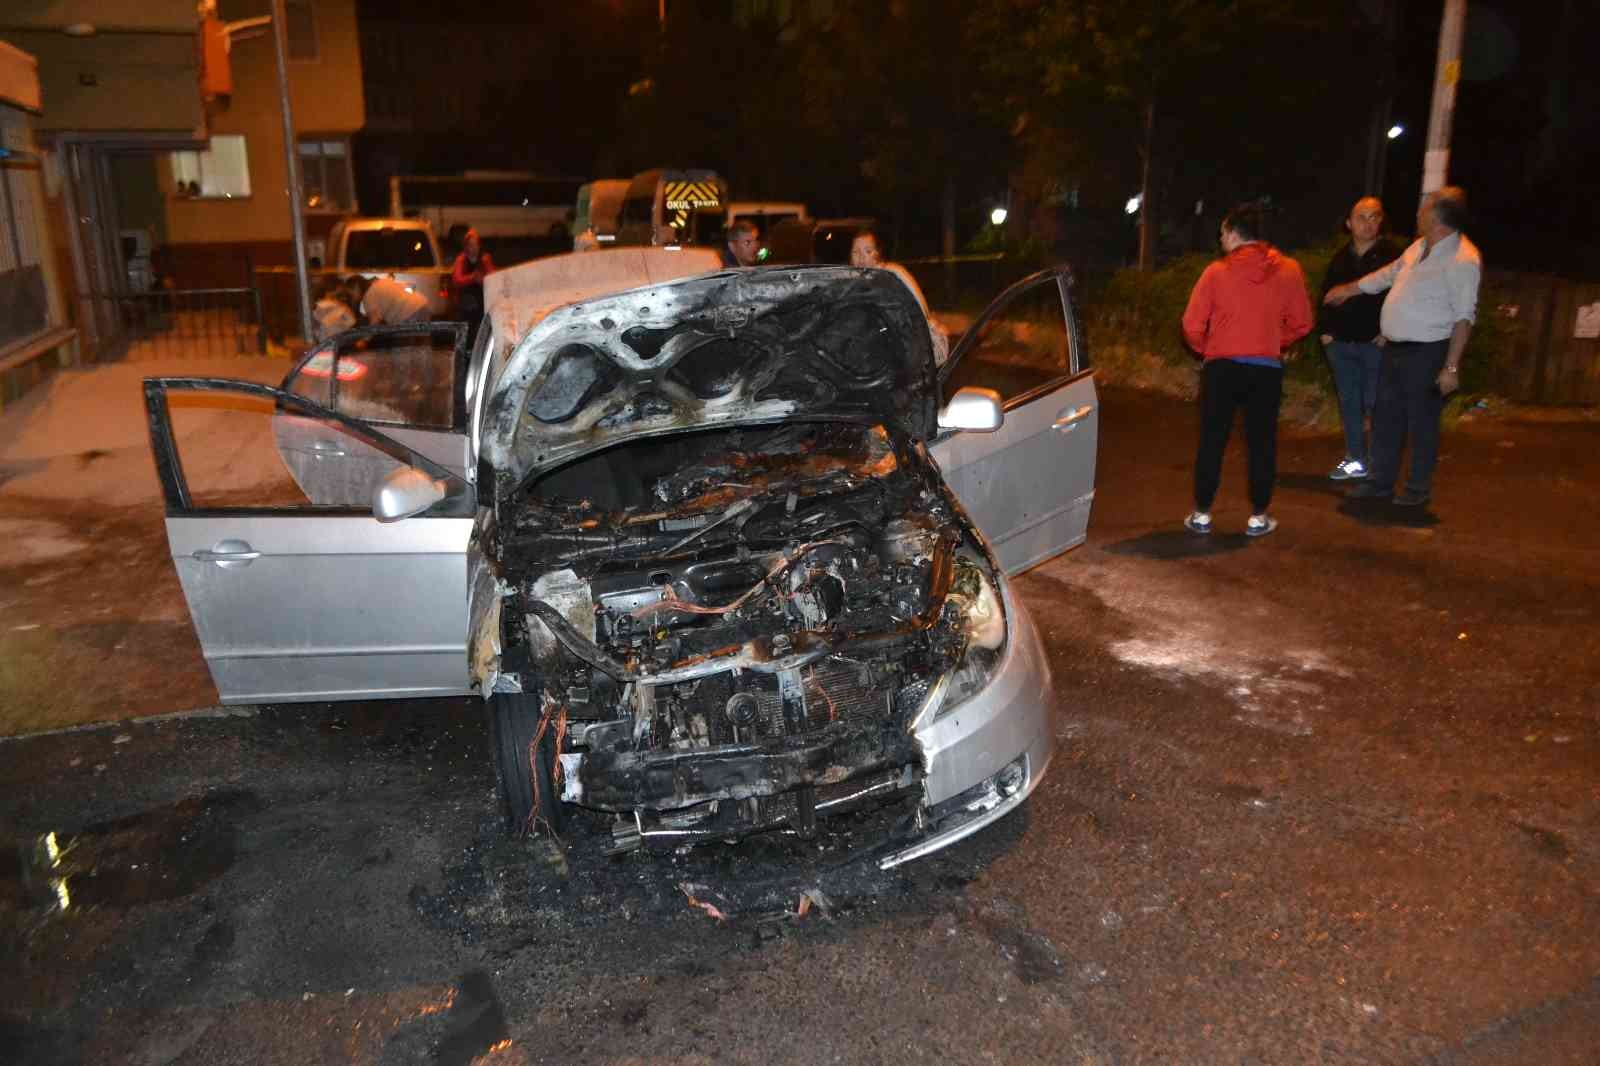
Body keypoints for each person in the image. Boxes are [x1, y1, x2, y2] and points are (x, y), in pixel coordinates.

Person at [1324, 186, 1480, 507]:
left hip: (1428, 352)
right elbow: (1386, 275)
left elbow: (1464, 317)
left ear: (1437, 217)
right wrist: (1349, 289)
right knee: (1386, 419)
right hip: (1395, 349)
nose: (1418, 214)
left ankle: (1416, 489)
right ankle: (1380, 483)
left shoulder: (1463, 258)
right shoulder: (1417, 248)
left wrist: (1451, 366)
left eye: (1424, 209)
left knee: (1422, 422)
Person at [1180, 203, 1313, 537]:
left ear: (1235, 235)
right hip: (1265, 369)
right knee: (1262, 443)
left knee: (1213, 440)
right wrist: (1272, 340)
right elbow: (1302, 323)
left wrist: (1207, 348)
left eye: (1223, 232)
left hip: (1221, 367)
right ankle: (1258, 516)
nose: (1220, 238)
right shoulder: (1290, 270)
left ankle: (1202, 513)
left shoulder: (1216, 272)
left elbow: (1191, 324)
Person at [1318, 197, 1400, 481]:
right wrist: (1326, 333)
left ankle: (1379, 464)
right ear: (1349, 223)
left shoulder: (1393, 257)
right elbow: (1326, 296)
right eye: (1362, 217)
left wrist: (1387, 331)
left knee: (1375, 402)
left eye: (1374, 217)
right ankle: (1355, 458)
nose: (1368, 223)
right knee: (1350, 402)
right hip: (1341, 343)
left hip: (1375, 344)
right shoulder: (1340, 258)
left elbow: (1400, 297)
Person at [848, 228, 950, 364]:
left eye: (868, 251)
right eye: (856, 252)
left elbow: (922, 308)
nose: (861, 257)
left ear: (877, 254)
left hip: (915, 346)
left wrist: (928, 328)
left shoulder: (892, 272)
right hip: (879, 350)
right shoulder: (852, 283)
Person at [450, 228, 497, 338]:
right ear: (466, 246)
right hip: (465, 306)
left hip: (482, 305)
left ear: (479, 245)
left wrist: (484, 280)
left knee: (482, 334)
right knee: (465, 333)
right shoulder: (461, 260)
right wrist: (472, 278)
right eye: (470, 245)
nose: (473, 248)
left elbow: (493, 279)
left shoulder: (485, 259)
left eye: (475, 244)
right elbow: (456, 280)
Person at [344, 274, 430, 326]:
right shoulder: (380, 282)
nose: (351, 297)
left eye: (350, 293)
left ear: (356, 288)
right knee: (423, 344)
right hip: (422, 304)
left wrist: (364, 340)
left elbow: (375, 321)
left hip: (408, 313)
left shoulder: (368, 297)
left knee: (402, 350)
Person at [311, 275, 357, 343]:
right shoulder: (340, 307)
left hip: (322, 344)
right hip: (339, 343)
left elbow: (315, 329)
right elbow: (352, 322)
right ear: (337, 288)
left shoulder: (316, 306)